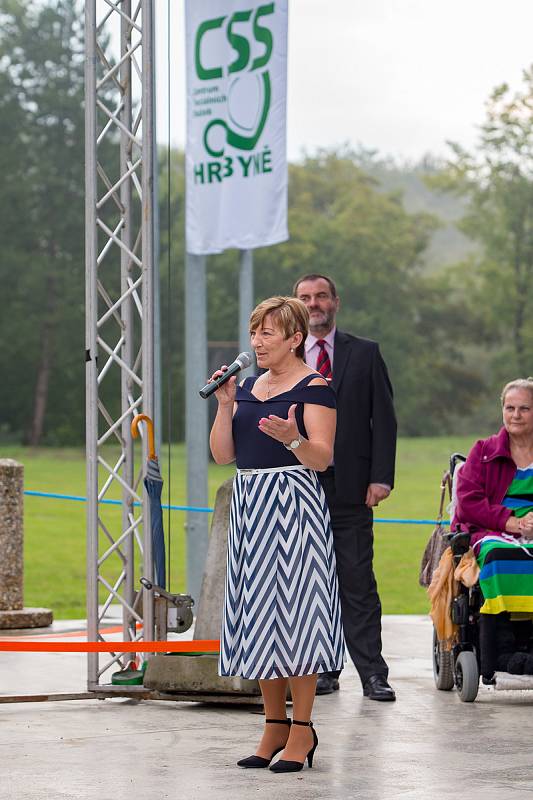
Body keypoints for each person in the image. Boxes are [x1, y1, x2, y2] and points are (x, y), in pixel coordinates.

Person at [209, 296, 343, 773]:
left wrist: (291, 437)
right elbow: (224, 455)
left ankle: (302, 730)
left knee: (298, 616)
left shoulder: (315, 386)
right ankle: (273, 725)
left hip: (294, 502)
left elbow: (322, 458)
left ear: (294, 339)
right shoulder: (246, 385)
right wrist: (226, 405)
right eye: (254, 332)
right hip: (251, 505)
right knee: (263, 619)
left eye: (268, 333)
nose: (257, 342)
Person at [293, 274, 397, 701]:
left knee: (356, 579)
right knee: (309, 583)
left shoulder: (365, 353)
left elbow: (384, 420)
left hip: (351, 486)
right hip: (298, 487)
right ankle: (322, 669)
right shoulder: (286, 355)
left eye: (320, 296)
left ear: (335, 301)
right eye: (305, 298)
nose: (314, 303)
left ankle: (373, 673)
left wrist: (381, 476)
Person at [453, 377, 533, 680]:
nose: (515, 415)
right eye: (510, 408)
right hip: (495, 531)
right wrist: (513, 523)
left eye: (524, 408)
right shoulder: (484, 451)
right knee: (500, 555)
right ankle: (503, 647)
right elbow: (468, 503)